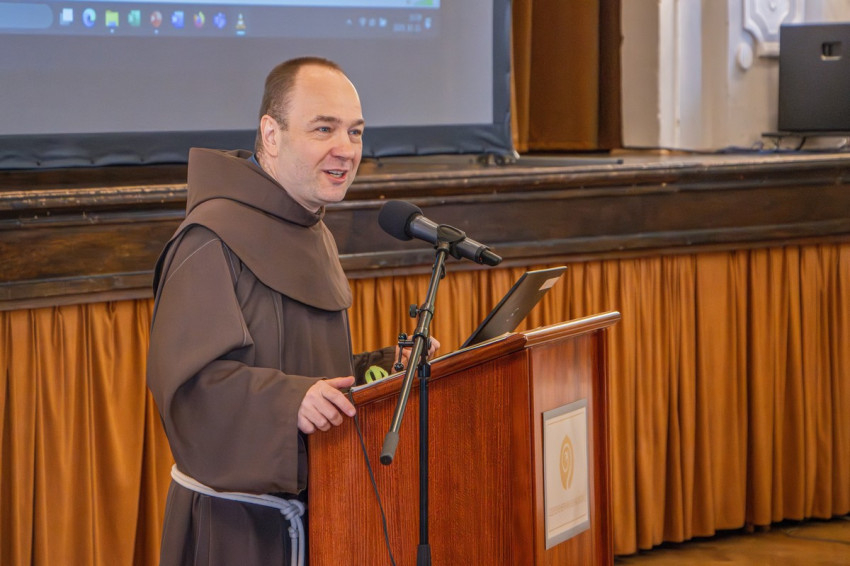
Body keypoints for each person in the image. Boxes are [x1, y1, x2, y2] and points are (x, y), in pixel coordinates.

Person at [146, 56, 438, 566]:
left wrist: (382, 368)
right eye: (323, 128)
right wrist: (289, 403)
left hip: (321, 518)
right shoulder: (210, 237)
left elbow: (304, 370)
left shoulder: (310, 227)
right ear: (271, 134)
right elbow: (189, 393)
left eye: (355, 132)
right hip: (237, 533)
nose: (346, 149)